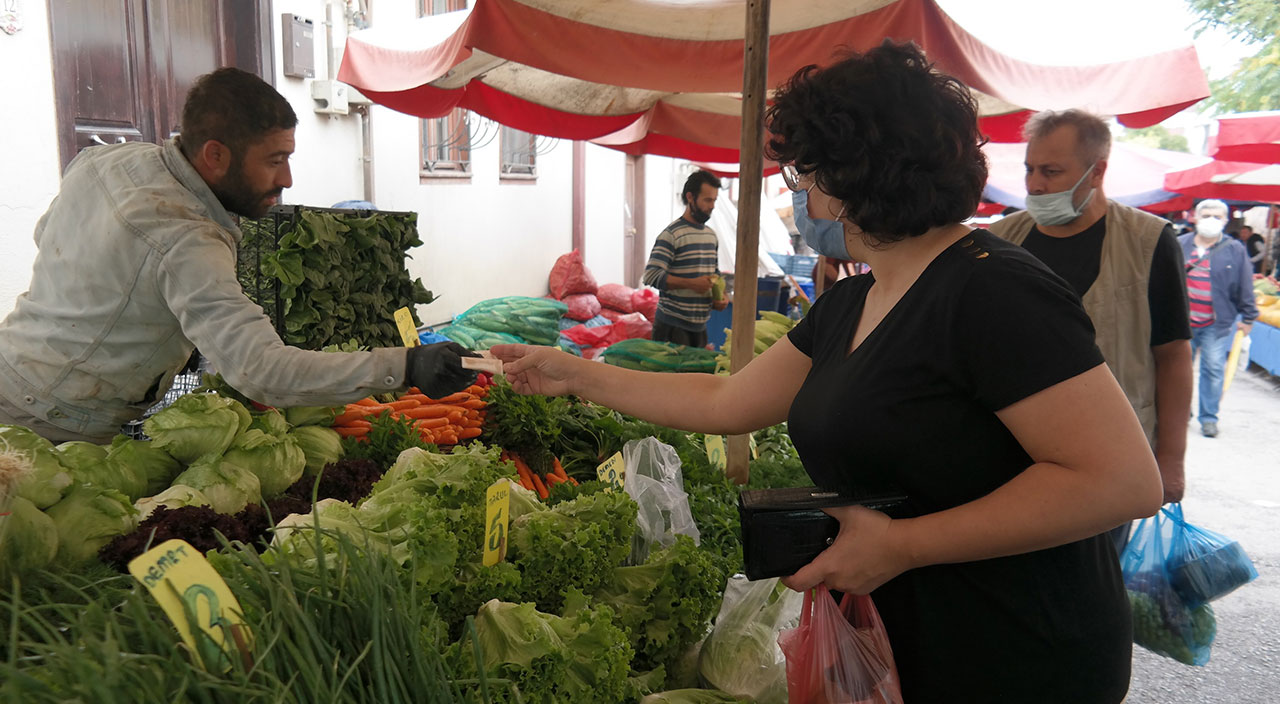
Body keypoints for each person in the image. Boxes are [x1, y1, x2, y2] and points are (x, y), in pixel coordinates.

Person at [494, 41, 1162, 703]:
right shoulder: (853, 300)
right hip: (902, 649)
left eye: (803, 173)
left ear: (855, 174)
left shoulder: (992, 291)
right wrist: (573, 375)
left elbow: (1119, 481)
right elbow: (729, 401)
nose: (803, 195)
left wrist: (904, 545)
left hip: (1016, 654)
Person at [0, 67, 476, 444]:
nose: (287, 179)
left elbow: (48, 235)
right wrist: (405, 366)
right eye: (274, 161)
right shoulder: (187, 240)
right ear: (215, 156)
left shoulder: (106, 161)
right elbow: (261, 369)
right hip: (56, 425)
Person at [989, 109, 1192, 520]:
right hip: (1009, 455)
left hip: (1112, 457)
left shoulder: (1149, 242)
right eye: (1030, 169)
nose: (1035, 185)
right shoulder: (999, 241)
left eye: (1051, 171)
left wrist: (1170, 459)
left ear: (1097, 172)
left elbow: (1172, 356)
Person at [1179, 199, 1259, 437]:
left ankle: (1209, 417)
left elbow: (1245, 284)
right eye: (1206, 216)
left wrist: (1249, 316)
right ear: (1195, 217)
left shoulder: (1235, 249)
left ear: (1225, 221)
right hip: (1182, 323)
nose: (1211, 220)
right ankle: (1182, 412)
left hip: (1216, 322)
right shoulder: (1179, 244)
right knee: (1180, 371)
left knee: (1213, 369)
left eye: (1217, 216)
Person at [642, 170, 728, 348]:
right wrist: (691, 284)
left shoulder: (711, 236)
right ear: (690, 197)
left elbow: (715, 275)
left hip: (700, 326)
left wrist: (720, 298)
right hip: (671, 327)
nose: (712, 205)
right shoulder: (672, 234)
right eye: (707, 200)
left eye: (714, 200)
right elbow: (651, 276)